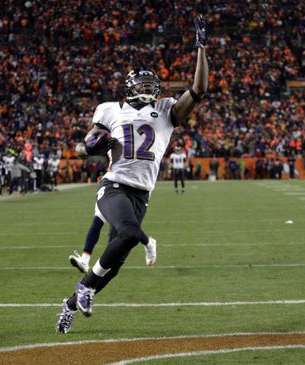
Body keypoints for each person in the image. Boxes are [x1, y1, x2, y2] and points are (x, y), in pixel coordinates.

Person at [55, 14, 208, 334]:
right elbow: (82, 149)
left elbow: (198, 90)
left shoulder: (166, 110)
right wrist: (92, 148)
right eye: (143, 86)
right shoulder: (110, 110)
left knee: (113, 267)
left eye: (152, 86)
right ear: (129, 88)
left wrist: (201, 48)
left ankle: (71, 302)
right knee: (129, 232)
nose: (149, 90)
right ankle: (92, 284)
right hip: (114, 187)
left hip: (142, 194)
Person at [68, 204, 157, 273]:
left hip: (122, 190)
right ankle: (84, 260)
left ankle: (149, 243)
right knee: (97, 222)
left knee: (128, 227)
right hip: (107, 187)